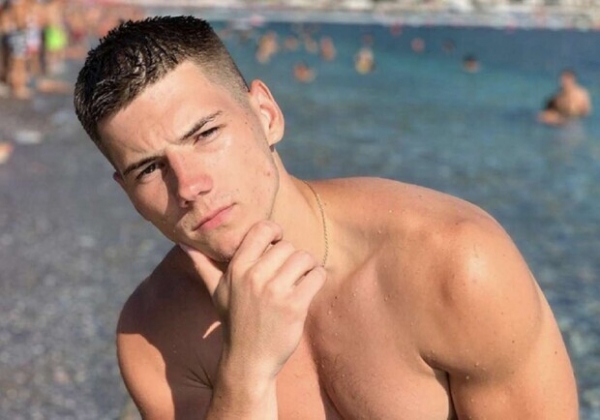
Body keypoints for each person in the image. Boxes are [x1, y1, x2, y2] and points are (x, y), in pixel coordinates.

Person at [74, 16, 578, 419]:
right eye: (149, 169)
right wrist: (245, 372)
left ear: (266, 116)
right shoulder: (152, 333)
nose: (189, 186)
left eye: (205, 134)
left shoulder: (451, 262)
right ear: (127, 193)